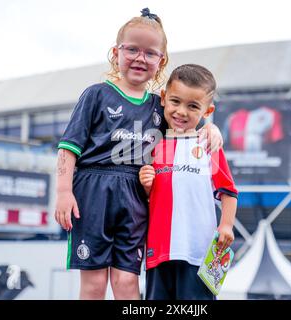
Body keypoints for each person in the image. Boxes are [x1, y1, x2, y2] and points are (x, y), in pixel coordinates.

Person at [54, 9, 223, 300]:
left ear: (161, 61)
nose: (139, 58)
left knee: (126, 283)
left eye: (149, 53)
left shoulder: (158, 105)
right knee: (94, 284)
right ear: (115, 53)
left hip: (135, 196)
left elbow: (188, 115)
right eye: (132, 49)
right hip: (93, 192)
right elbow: (68, 148)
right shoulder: (96, 95)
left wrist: (212, 127)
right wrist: (63, 192)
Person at [139, 64, 238, 300]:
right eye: (175, 101)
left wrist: (226, 225)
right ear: (163, 98)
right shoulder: (154, 146)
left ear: (207, 110)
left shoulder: (209, 145)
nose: (181, 111)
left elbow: (229, 191)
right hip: (158, 252)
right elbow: (147, 199)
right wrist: (146, 185)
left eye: (193, 106)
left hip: (199, 253)